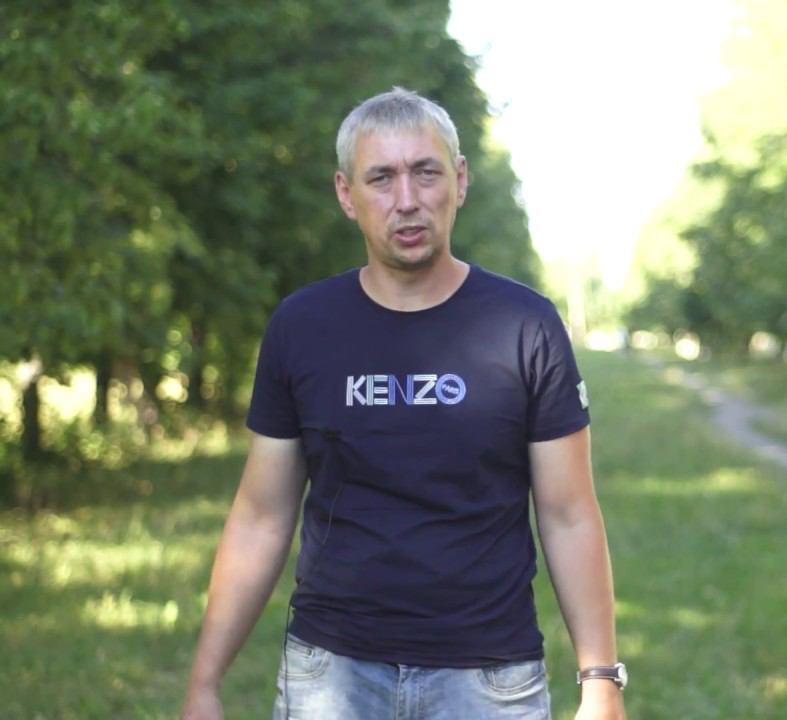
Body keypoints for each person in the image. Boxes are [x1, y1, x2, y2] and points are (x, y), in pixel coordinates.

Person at [181, 87, 626, 720]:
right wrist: (204, 684)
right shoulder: (302, 327)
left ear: (460, 180)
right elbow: (260, 516)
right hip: (331, 677)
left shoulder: (525, 326)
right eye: (381, 178)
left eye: (426, 172)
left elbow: (569, 513)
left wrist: (601, 681)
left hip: (489, 679)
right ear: (346, 194)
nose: (407, 199)